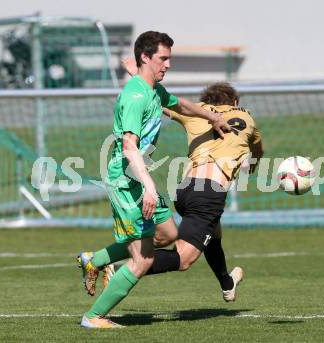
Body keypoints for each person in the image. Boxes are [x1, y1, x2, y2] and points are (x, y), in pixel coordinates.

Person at [78, 31, 231, 329]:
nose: (168, 64)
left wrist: (212, 118)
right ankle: (94, 317)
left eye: (169, 58)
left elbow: (181, 104)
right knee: (143, 259)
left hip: (137, 176)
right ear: (146, 58)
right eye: (163, 58)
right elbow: (128, 146)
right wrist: (148, 187)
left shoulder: (151, 90)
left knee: (168, 234)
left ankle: (94, 260)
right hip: (125, 181)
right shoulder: (136, 97)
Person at [103, 80, 264, 304]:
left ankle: (227, 283)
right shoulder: (247, 117)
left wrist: (137, 74)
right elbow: (257, 147)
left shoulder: (198, 111)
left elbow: (161, 100)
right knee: (183, 259)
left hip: (186, 190)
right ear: (235, 102)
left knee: (213, 235)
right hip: (209, 193)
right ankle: (120, 269)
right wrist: (254, 161)